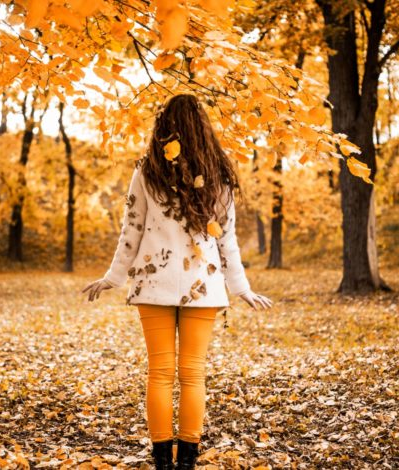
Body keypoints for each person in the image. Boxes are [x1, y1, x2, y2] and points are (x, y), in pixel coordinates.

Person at [82, 93, 272, 469]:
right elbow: (226, 240)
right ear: (203, 129)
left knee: (161, 372)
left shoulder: (147, 170)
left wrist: (114, 277)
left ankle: (162, 461)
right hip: (204, 288)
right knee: (192, 372)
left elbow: (131, 232)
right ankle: (186, 460)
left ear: (164, 127)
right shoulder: (219, 174)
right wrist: (241, 288)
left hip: (153, 284)